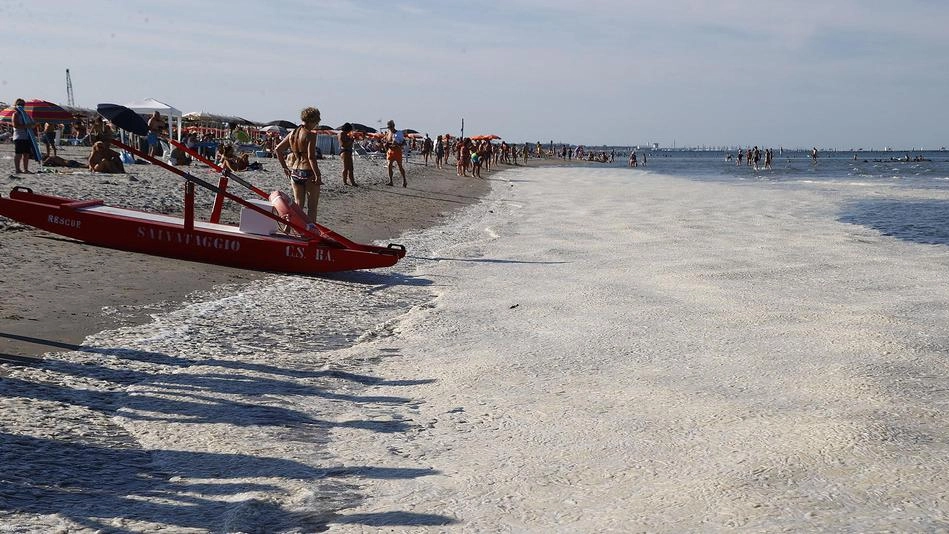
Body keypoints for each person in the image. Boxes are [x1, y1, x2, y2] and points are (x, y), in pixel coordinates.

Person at [275, 106, 322, 222]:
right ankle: (311, 233)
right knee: (312, 208)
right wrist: (318, 175)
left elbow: (278, 149)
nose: (317, 123)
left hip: (295, 171)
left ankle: (288, 228)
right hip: (308, 171)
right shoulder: (310, 135)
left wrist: (284, 167)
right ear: (313, 120)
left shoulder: (293, 133)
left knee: (297, 205)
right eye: (317, 121)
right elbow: (311, 157)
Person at [11, 99, 36, 174]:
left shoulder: (26, 114)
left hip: (27, 137)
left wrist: (33, 125)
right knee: (18, 154)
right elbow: (15, 125)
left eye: (23, 104)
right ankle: (17, 169)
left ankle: (25, 169)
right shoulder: (15, 114)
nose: (21, 105)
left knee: (26, 154)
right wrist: (26, 126)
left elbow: (32, 124)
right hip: (18, 136)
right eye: (20, 104)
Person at [384, 119, 407, 187]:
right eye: (389, 127)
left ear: (393, 126)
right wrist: (386, 144)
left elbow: (403, 142)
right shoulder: (388, 133)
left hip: (397, 151)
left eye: (390, 127)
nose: (390, 128)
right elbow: (386, 141)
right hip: (390, 151)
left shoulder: (399, 133)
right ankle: (391, 181)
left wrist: (397, 144)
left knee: (400, 166)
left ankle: (404, 180)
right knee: (389, 165)